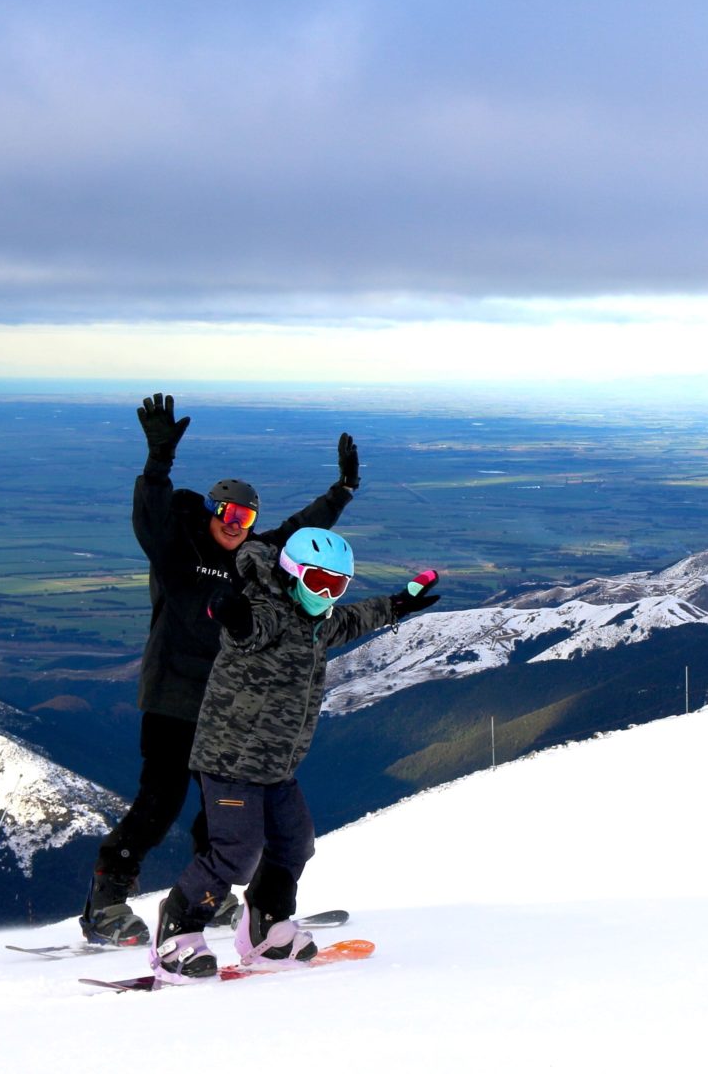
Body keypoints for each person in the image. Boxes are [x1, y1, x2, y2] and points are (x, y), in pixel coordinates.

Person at [80, 394, 362, 945]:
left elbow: (299, 532)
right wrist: (157, 461)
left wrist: (342, 492)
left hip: (227, 708)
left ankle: (212, 899)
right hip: (170, 697)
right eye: (229, 514)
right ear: (212, 512)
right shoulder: (175, 548)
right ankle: (106, 902)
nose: (237, 525)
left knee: (225, 816)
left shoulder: (253, 558)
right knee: (158, 804)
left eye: (246, 517)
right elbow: (151, 514)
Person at [148, 528, 441, 982]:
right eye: (317, 582)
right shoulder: (267, 612)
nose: (326, 594)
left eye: (336, 585)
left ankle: (267, 929)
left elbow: (354, 619)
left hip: (276, 765)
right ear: (289, 574)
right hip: (230, 760)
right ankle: (178, 932)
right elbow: (246, 631)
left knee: (295, 842)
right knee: (235, 853)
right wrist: (233, 616)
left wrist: (398, 603)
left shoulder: (316, 621)